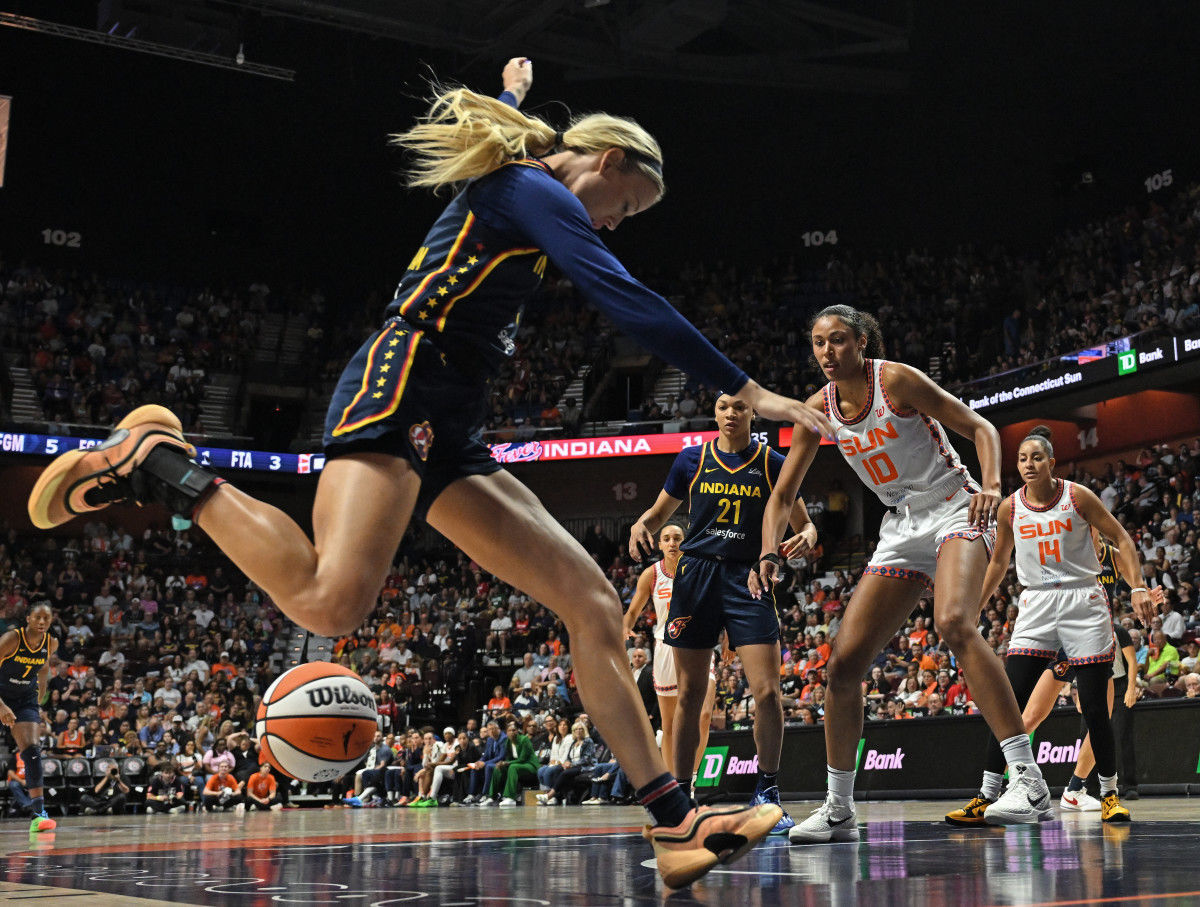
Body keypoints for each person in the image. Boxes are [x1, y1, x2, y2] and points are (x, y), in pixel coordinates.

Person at [26, 55, 818, 887]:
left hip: (453, 411)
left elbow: (510, 148)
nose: (618, 223)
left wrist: (510, 94)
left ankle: (674, 823)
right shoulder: (534, 191)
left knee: (589, 600)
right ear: (609, 160)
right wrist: (747, 388)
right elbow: (625, 297)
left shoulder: (522, 180)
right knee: (328, 600)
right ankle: (157, 463)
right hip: (402, 379)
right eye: (627, 206)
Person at [754, 305, 1052, 843]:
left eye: (838, 340)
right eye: (818, 342)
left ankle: (1028, 782)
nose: (827, 351)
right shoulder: (817, 409)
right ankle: (839, 808)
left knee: (954, 622)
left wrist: (991, 485)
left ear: (862, 342)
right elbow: (782, 496)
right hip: (901, 525)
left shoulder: (895, 380)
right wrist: (768, 553)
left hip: (955, 504)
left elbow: (980, 427)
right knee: (843, 664)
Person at [947, 426, 1155, 825]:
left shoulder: (1078, 496)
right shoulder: (1009, 508)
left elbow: (1122, 539)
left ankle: (1108, 794)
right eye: (1023, 458)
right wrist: (975, 606)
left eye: (1037, 457)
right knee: (1009, 701)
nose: (1029, 464)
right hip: (1036, 602)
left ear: (1051, 462)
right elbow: (998, 561)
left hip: (1083, 599)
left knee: (1094, 705)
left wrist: (1138, 587)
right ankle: (986, 794)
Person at [630, 395, 818, 835]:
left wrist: (809, 533)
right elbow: (658, 513)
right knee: (690, 694)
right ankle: (681, 798)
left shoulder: (772, 462)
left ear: (754, 413)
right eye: (723, 406)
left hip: (748, 577)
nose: (731, 413)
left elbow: (804, 521)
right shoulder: (690, 459)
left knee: (767, 693)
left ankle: (767, 792)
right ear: (714, 413)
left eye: (740, 407)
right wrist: (642, 524)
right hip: (696, 576)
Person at [622, 523, 716, 788]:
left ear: (685, 541)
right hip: (665, 645)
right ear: (660, 544)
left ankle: (692, 779)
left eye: (677, 538)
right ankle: (674, 786)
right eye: (667, 538)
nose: (672, 542)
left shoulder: (699, 568)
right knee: (670, 724)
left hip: (698, 643)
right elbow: (632, 611)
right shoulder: (651, 574)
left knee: (704, 715)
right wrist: (625, 628)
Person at [0, 602, 59, 832]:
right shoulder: (12, 639)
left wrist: (39, 698)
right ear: (28, 618)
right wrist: (1, 706)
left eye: (47, 618)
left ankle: (38, 815)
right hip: (2, 694)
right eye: (38, 617)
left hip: (24, 698)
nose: (42, 622)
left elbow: (43, 668)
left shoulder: (51, 642)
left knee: (33, 751)